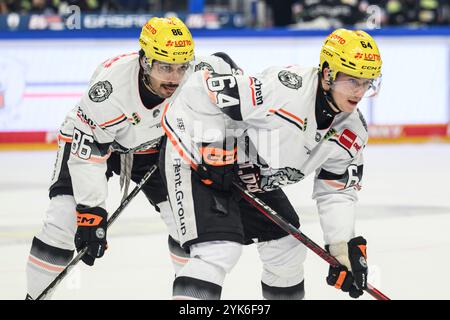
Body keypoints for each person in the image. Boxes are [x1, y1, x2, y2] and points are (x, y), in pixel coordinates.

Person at [25, 16, 243, 300]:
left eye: (181, 67)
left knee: (186, 227)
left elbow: (231, 73)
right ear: (145, 62)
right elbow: (88, 153)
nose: (174, 78)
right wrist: (92, 210)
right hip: (96, 142)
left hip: (154, 148)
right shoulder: (109, 92)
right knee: (63, 221)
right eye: (165, 67)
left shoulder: (200, 73)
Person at [160, 28, 382, 299]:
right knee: (218, 249)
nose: (359, 91)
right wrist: (212, 147)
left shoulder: (352, 133)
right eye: (352, 81)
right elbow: (198, 90)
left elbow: (336, 190)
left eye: (367, 83)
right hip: (194, 158)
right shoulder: (282, 90)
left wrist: (341, 247)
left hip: (248, 176)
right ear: (327, 74)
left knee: (287, 247)